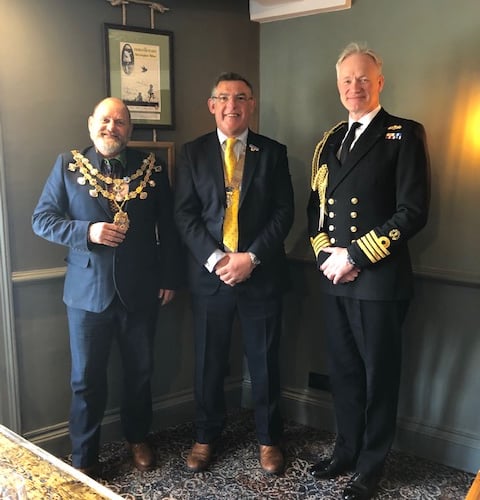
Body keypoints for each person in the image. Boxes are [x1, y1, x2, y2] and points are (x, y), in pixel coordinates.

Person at [32, 97, 183, 476]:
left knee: (140, 372)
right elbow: (42, 219)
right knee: (86, 380)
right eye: (104, 120)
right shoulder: (67, 166)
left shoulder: (152, 168)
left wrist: (168, 277)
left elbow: (169, 225)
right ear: (90, 124)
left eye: (119, 122)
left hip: (141, 290)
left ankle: (137, 437)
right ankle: (85, 457)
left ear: (129, 130)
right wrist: (87, 231)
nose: (111, 127)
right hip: (86, 293)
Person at [307, 43, 429, 500]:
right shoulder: (329, 140)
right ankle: (346, 450)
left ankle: (371, 466)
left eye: (362, 78)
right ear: (338, 87)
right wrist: (326, 258)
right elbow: (314, 211)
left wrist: (354, 256)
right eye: (346, 80)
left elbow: (412, 211)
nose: (353, 86)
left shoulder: (403, 134)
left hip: (378, 279)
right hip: (334, 279)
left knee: (379, 375)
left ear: (379, 82)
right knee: (344, 372)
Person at [174, 72, 294, 475]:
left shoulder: (273, 152)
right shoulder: (192, 153)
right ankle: (206, 437)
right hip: (210, 277)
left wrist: (252, 258)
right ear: (212, 105)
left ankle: (268, 439)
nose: (232, 105)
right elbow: (184, 215)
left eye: (240, 97)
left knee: (265, 362)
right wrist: (216, 260)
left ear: (251, 105)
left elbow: (284, 213)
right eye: (223, 97)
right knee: (208, 362)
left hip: (260, 275)